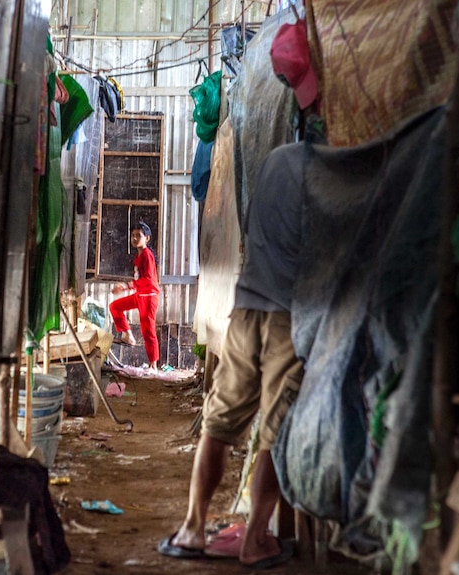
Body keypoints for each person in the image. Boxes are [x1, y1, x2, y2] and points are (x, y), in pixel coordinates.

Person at [157, 142, 306, 570]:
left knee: (219, 422)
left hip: (246, 308)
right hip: (289, 317)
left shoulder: (274, 160)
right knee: (275, 431)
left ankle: (192, 528)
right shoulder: (331, 176)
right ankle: (256, 539)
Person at [109, 221, 161, 370]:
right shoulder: (138, 257)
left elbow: (148, 280)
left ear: (147, 238)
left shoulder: (147, 255)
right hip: (140, 295)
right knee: (115, 307)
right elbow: (140, 279)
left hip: (149, 296)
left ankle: (153, 365)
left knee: (148, 330)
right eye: (133, 235)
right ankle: (128, 336)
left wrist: (126, 286)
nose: (135, 238)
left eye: (139, 235)